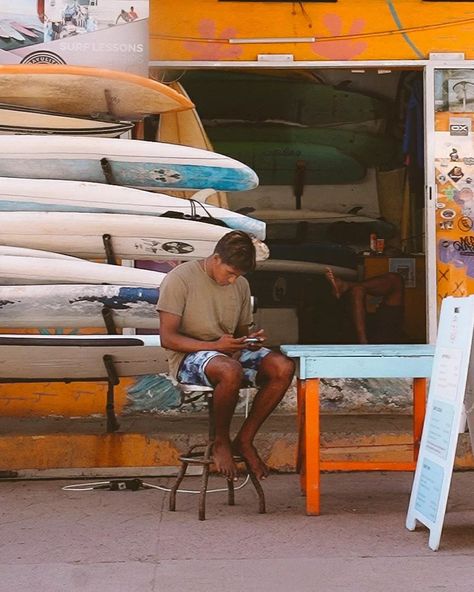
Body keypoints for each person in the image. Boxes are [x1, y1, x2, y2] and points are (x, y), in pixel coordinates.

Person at [158, 231, 295, 481]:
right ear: (216, 258)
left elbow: (239, 333)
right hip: (188, 357)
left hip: (226, 352)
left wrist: (249, 341)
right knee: (229, 369)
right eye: (230, 273)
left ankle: (244, 439)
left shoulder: (241, 284)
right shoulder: (180, 278)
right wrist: (216, 347)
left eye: (238, 276)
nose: (233, 281)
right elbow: (168, 338)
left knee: (282, 366)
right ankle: (221, 440)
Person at [325, 267, 405, 344]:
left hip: (377, 340)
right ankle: (347, 285)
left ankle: (347, 285)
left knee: (357, 290)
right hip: (380, 335)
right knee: (396, 279)